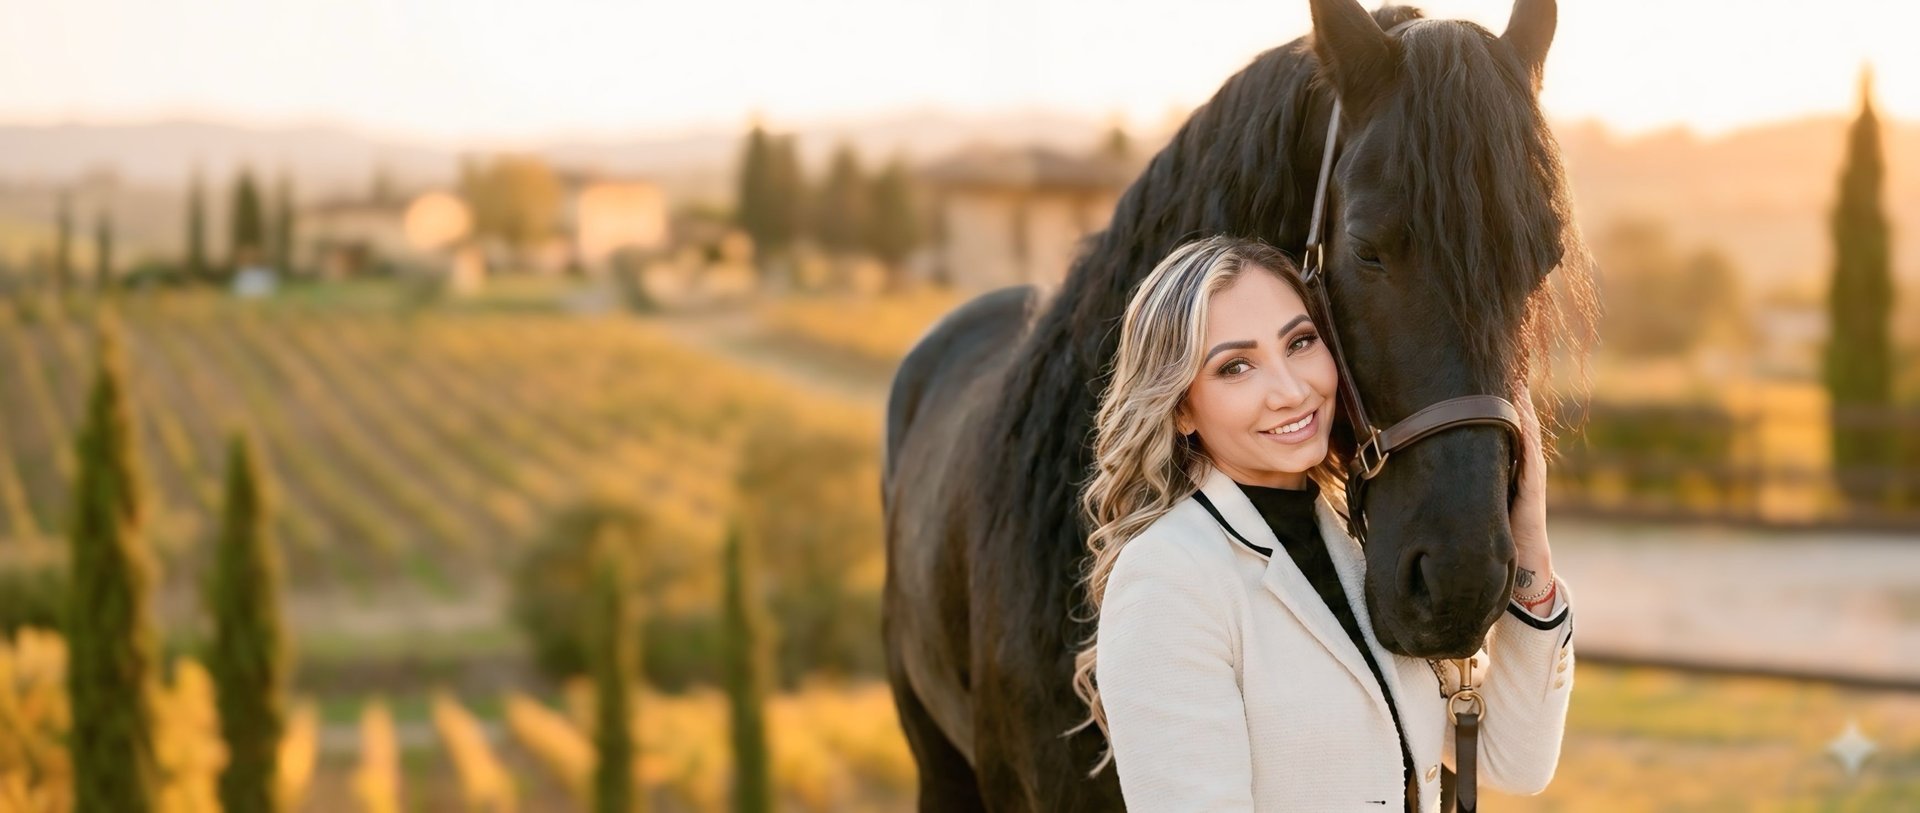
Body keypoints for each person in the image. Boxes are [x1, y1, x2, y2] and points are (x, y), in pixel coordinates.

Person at [1068, 235, 1573, 811]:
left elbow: (1515, 763)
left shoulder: (1361, 542)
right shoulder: (1168, 577)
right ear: (1180, 406)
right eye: (1236, 367)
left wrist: (1529, 541)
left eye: (1301, 342)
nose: (1290, 390)